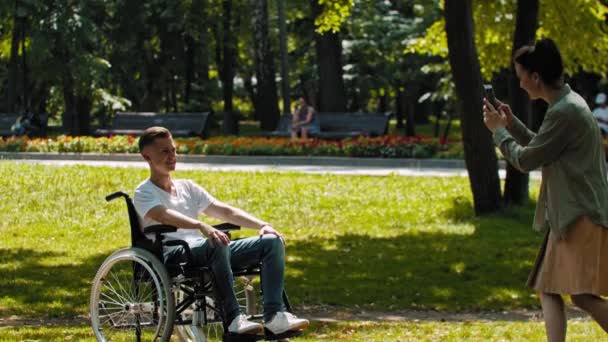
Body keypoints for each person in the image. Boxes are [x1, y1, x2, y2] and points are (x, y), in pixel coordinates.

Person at [483, 38, 608, 342]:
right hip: (574, 214)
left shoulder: (564, 111)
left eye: (520, 75)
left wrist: (498, 131)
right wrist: (511, 126)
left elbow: (526, 160)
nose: (521, 83)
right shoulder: (567, 105)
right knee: (549, 287)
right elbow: (543, 147)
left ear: (535, 77)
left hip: (580, 216)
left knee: (580, 295)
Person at [133, 126, 309, 336]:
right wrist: (200, 225)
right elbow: (163, 215)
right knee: (217, 242)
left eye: (173, 150)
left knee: (271, 242)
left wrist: (262, 225)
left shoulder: (187, 187)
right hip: (175, 254)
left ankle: (274, 317)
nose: (172, 156)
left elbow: (224, 210)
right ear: (147, 157)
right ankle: (234, 319)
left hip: (207, 250)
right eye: (165, 152)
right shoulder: (143, 192)